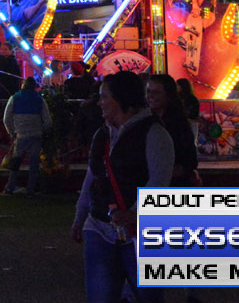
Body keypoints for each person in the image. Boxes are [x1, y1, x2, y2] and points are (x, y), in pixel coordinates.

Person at [72, 71, 173, 303]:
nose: (100, 103)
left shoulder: (155, 134)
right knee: (100, 295)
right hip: (99, 225)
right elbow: (93, 177)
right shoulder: (102, 134)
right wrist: (81, 216)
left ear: (120, 99)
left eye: (104, 97)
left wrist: (134, 213)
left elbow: (158, 181)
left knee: (148, 296)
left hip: (140, 232)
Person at [146, 73, 198, 187]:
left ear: (168, 94)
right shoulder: (146, 120)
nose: (150, 96)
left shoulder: (177, 122)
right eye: (149, 91)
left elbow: (190, 159)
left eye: (156, 92)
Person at [3, 77, 51, 196]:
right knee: (34, 164)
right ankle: (30, 189)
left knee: (16, 162)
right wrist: (43, 130)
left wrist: (12, 132)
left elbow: (6, 118)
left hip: (20, 135)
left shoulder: (14, 98)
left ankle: (10, 188)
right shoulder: (40, 100)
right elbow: (48, 121)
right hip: (36, 134)